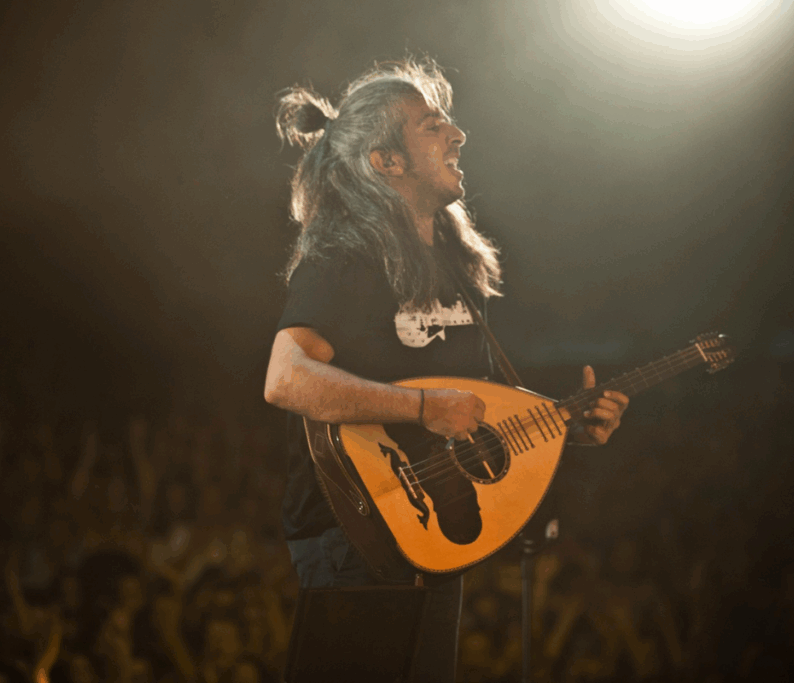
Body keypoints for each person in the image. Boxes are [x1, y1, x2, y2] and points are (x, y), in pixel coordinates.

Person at [263, 57, 629, 682]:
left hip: (433, 532)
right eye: (432, 126)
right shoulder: (344, 256)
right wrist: (423, 408)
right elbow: (285, 378)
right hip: (353, 533)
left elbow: (475, 412)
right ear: (387, 161)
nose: (457, 135)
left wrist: (567, 427)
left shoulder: (458, 267)